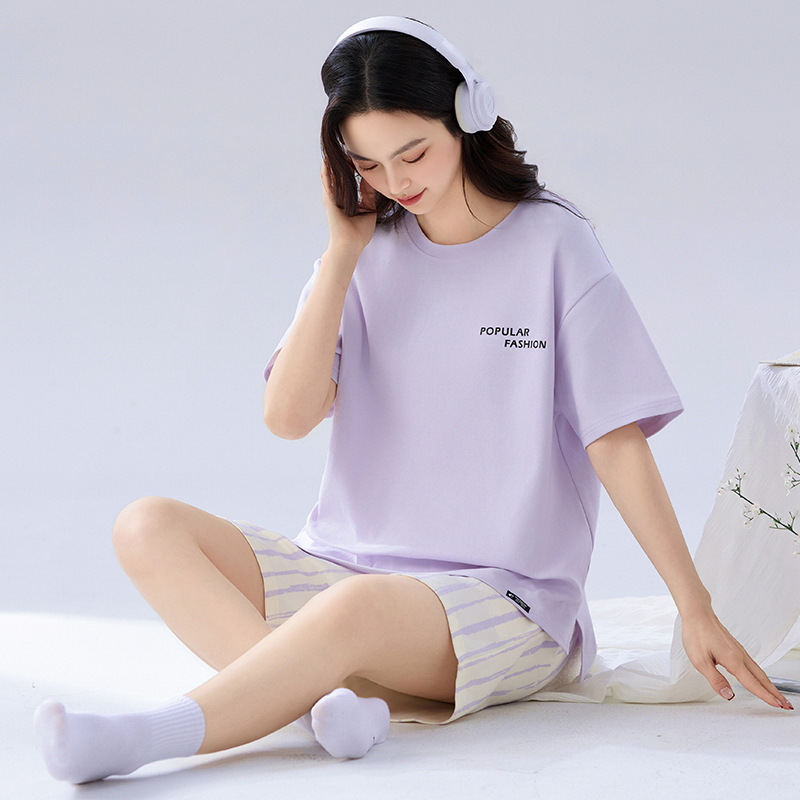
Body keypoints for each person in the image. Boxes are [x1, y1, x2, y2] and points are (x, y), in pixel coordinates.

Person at [34, 15, 793, 785]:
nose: (396, 182)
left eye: (414, 152)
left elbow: (615, 441)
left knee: (352, 610)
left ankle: (143, 739)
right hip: (345, 571)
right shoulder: (364, 254)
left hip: (507, 602)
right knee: (147, 525)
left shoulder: (555, 246)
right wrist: (342, 253)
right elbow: (288, 418)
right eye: (367, 162)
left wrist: (693, 605)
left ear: (465, 117)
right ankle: (323, 711)